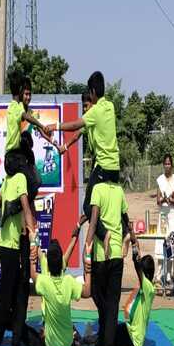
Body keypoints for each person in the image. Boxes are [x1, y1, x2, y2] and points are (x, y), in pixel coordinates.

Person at [48, 71, 120, 243]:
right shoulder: (110, 107)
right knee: (108, 206)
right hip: (115, 168)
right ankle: (123, 234)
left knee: (87, 207)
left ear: (93, 92)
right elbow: (78, 133)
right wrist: (65, 146)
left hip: (103, 166)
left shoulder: (95, 113)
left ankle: (105, 235)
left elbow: (75, 125)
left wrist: (54, 126)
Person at [84, 177, 137, 346]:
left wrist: (87, 244)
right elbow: (125, 217)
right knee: (112, 305)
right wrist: (132, 238)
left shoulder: (97, 189)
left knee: (100, 298)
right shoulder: (119, 190)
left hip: (101, 256)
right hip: (116, 255)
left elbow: (93, 220)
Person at [0, 157, 37, 346]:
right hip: (10, 249)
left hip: (14, 246)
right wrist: (34, 237)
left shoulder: (7, 181)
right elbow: (26, 208)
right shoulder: (17, 179)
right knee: (10, 300)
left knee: (19, 298)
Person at [30, 239, 92, 346]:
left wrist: (33, 247)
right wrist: (88, 267)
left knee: (38, 333)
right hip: (68, 340)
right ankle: (76, 342)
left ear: (47, 263)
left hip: (50, 343)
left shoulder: (43, 282)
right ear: (61, 263)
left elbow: (32, 274)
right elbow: (87, 291)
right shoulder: (69, 281)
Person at [5, 74, 56, 196]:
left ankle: (24, 205)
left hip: (26, 156)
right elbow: (27, 118)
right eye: (26, 94)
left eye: (30, 94)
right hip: (15, 156)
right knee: (28, 185)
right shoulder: (17, 107)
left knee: (37, 182)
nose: (28, 97)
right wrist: (42, 125)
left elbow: (42, 133)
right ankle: (17, 204)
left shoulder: (30, 112)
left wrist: (56, 144)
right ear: (20, 92)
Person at [115, 253, 156, 346]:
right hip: (129, 329)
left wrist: (135, 257)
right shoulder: (142, 289)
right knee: (107, 331)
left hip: (134, 339)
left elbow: (138, 271)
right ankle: (84, 342)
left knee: (107, 340)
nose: (138, 276)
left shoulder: (149, 289)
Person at [155, 153, 174, 286]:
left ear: (172, 165)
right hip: (163, 214)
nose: (167, 166)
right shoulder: (160, 180)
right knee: (161, 241)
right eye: (165, 163)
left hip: (172, 214)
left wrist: (169, 199)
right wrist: (163, 199)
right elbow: (158, 200)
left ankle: (168, 274)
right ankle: (159, 273)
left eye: (169, 163)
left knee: (171, 242)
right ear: (163, 165)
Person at [58, 91, 93, 156]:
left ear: (93, 103)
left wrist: (55, 127)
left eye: (86, 106)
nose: (84, 109)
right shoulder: (89, 120)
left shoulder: (95, 115)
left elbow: (74, 126)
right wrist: (65, 146)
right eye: (83, 106)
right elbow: (77, 134)